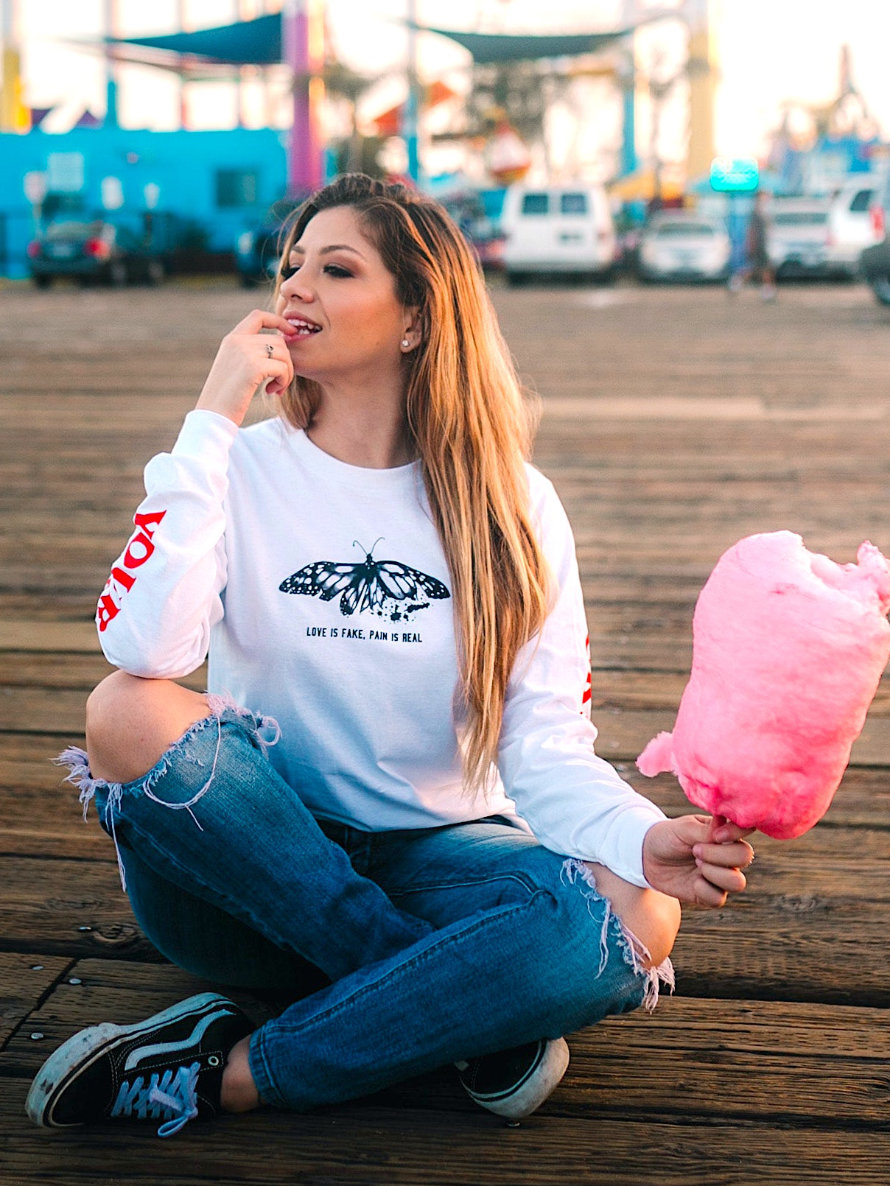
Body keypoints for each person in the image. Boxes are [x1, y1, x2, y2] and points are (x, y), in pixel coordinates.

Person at [27, 174, 753, 1138]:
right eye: (289, 266)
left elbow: (543, 750)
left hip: (441, 855)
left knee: (639, 915)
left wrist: (640, 836)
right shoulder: (237, 467)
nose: (295, 288)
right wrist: (212, 412)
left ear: (416, 317)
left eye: (335, 268)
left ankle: (230, 1073)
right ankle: (459, 1007)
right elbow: (143, 643)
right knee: (126, 707)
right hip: (249, 866)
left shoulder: (514, 505)